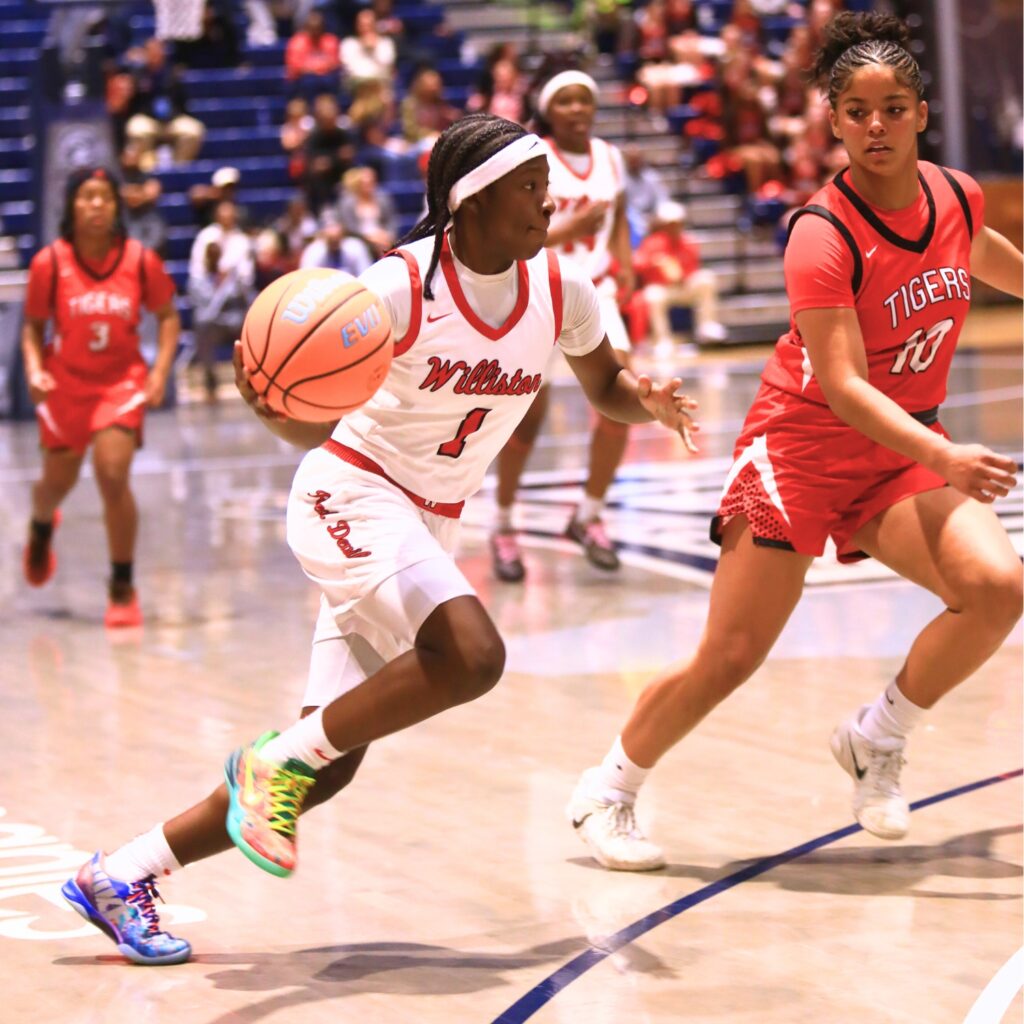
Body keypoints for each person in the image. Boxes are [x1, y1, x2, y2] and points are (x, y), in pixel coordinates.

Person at [60, 113, 699, 964]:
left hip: (425, 521)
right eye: (530, 184)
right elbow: (311, 415)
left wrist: (642, 396)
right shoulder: (396, 289)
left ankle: (121, 874)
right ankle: (269, 763)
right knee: (471, 653)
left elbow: (606, 382)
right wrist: (275, 403)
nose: (549, 199)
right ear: (470, 200)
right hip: (351, 495)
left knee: (327, 762)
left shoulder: (563, 290)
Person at [566, 11, 1023, 872]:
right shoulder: (823, 231)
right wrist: (944, 458)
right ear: (834, 119)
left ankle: (875, 736)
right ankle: (606, 791)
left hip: (898, 449)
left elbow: (981, 252)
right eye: (856, 109)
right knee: (732, 655)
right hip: (802, 451)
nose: (875, 124)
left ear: (922, 111)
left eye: (892, 106)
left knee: (997, 589)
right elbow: (844, 386)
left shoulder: (956, 194)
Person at [489, 69, 637, 582]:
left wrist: (626, 263)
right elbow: (509, 233)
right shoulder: (532, 157)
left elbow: (617, 218)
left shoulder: (611, 157)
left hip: (596, 293)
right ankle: (504, 523)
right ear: (549, 109)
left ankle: (589, 515)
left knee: (624, 404)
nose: (577, 109)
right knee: (525, 424)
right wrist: (566, 230)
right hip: (540, 291)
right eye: (566, 101)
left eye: (584, 100)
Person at [20, 166, 179, 628]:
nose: (96, 205)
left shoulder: (139, 260)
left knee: (113, 474)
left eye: (105, 197)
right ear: (71, 205)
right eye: (86, 196)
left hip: (119, 384)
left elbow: (168, 317)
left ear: (116, 205)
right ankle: (41, 526)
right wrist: (34, 369)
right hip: (65, 385)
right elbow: (32, 327)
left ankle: (122, 585)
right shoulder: (50, 263)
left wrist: (159, 373)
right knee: (55, 485)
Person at [635, 199, 726, 353]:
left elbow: (691, 271)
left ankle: (707, 326)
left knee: (706, 278)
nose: (674, 227)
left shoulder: (689, 243)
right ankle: (662, 341)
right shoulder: (652, 243)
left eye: (677, 223)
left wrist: (678, 273)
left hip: (683, 287)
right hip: (663, 290)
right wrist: (654, 262)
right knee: (652, 296)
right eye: (670, 224)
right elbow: (638, 264)